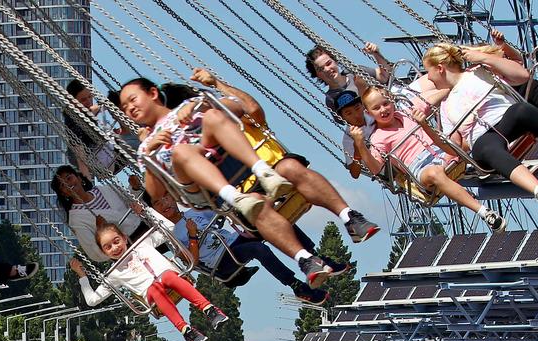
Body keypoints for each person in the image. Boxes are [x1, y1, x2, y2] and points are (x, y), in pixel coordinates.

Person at [119, 75, 376, 259]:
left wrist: (206, 102)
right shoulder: (147, 147)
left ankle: (349, 218)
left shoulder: (191, 108)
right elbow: (155, 195)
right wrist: (151, 156)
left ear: (152, 93)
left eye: (133, 99)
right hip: (202, 184)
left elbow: (240, 108)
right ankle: (302, 256)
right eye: (125, 107)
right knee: (185, 153)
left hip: (235, 162)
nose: (129, 108)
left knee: (290, 168)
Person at [421, 44, 538, 207]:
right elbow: (455, 147)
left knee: (522, 110)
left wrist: (484, 58)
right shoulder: (445, 107)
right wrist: (427, 127)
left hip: (506, 119)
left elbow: (522, 75)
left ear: (440, 68)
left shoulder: (479, 71)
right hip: (483, 139)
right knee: (484, 148)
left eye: (427, 72)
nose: (428, 79)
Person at [350, 88, 507, 232]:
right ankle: (484, 212)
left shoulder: (407, 113)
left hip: (440, 152)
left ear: (392, 100)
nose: (383, 110)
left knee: (465, 140)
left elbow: (429, 100)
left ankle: (505, 157)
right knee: (435, 173)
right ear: (369, 113)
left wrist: (451, 86)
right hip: (420, 167)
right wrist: (360, 145)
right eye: (376, 108)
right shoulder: (378, 138)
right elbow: (377, 169)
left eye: (385, 103)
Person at [71, 219, 229, 341]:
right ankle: (186, 331)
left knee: (167, 277)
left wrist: (143, 212)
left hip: (170, 277)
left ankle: (209, 310)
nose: (115, 248)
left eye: (116, 241)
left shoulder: (143, 244)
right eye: (108, 247)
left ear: (125, 238)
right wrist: (82, 276)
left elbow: (169, 226)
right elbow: (92, 300)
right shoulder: (114, 274)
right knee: (155, 288)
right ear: (104, 253)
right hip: (152, 294)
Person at [155, 195, 335, 305]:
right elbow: (192, 262)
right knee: (258, 249)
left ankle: (315, 258)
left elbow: (219, 208)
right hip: (222, 261)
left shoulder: (192, 212)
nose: (165, 203)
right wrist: (193, 236)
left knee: (270, 220)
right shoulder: (172, 236)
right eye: (159, 203)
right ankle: (296, 286)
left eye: (166, 198)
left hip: (233, 242)